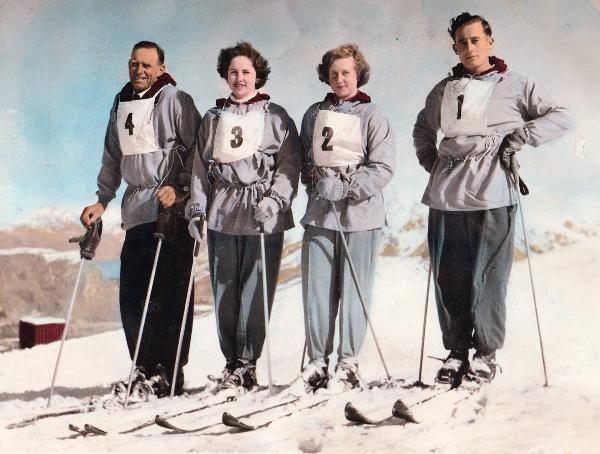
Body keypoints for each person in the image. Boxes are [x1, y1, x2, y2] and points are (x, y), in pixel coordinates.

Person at [413, 13, 573, 384]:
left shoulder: (514, 84)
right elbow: (423, 127)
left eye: (475, 40)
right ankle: (456, 351)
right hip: (446, 195)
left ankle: (486, 354)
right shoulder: (443, 89)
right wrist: (429, 159)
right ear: (454, 48)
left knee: (489, 277)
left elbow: (560, 116)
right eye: (462, 43)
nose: (469, 48)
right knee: (449, 275)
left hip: (492, 192)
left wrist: (521, 137)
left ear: (489, 42)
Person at [80, 41, 201, 397]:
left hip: (172, 210)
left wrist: (180, 190)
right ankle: (143, 367)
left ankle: (169, 372)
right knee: (134, 295)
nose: (139, 70)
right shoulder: (121, 104)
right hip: (136, 212)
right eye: (134, 64)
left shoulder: (177, 100)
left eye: (147, 65)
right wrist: (103, 200)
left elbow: (199, 152)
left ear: (161, 68)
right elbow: (112, 155)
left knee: (170, 293)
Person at [186, 41, 301, 392]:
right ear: (226, 76)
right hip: (223, 210)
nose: (239, 78)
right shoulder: (213, 117)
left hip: (261, 212)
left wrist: (276, 199)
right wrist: (197, 209)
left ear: (258, 75)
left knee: (255, 290)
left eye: (246, 72)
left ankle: (248, 364)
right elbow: (199, 169)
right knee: (225, 289)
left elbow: (290, 163)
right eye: (233, 72)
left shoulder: (275, 116)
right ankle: (231, 362)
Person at [296, 44, 395, 393]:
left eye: (347, 73)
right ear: (327, 75)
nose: (340, 79)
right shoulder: (313, 113)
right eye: (334, 73)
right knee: (317, 291)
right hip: (321, 214)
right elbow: (305, 160)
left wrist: (348, 185)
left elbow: (383, 167)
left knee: (354, 291)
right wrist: (317, 180)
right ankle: (317, 362)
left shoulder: (372, 114)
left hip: (360, 215)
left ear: (358, 75)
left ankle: (348, 363)